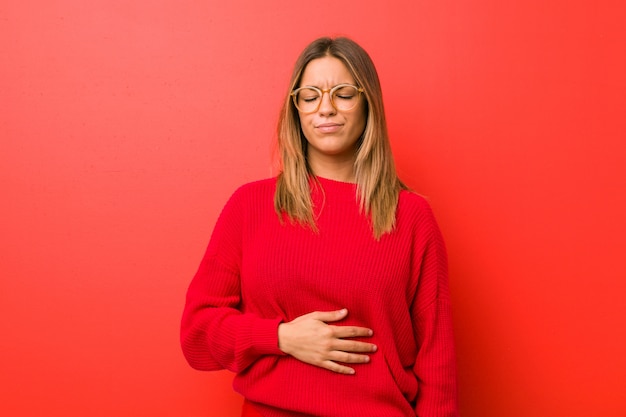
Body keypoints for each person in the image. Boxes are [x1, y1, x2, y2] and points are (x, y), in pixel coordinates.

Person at [180, 36, 459, 417]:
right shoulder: (250, 206)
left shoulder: (411, 217)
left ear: (368, 104)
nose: (325, 109)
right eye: (309, 96)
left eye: (343, 93)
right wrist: (281, 337)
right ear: (295, 109)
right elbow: (197, 335)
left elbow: (437, 367)